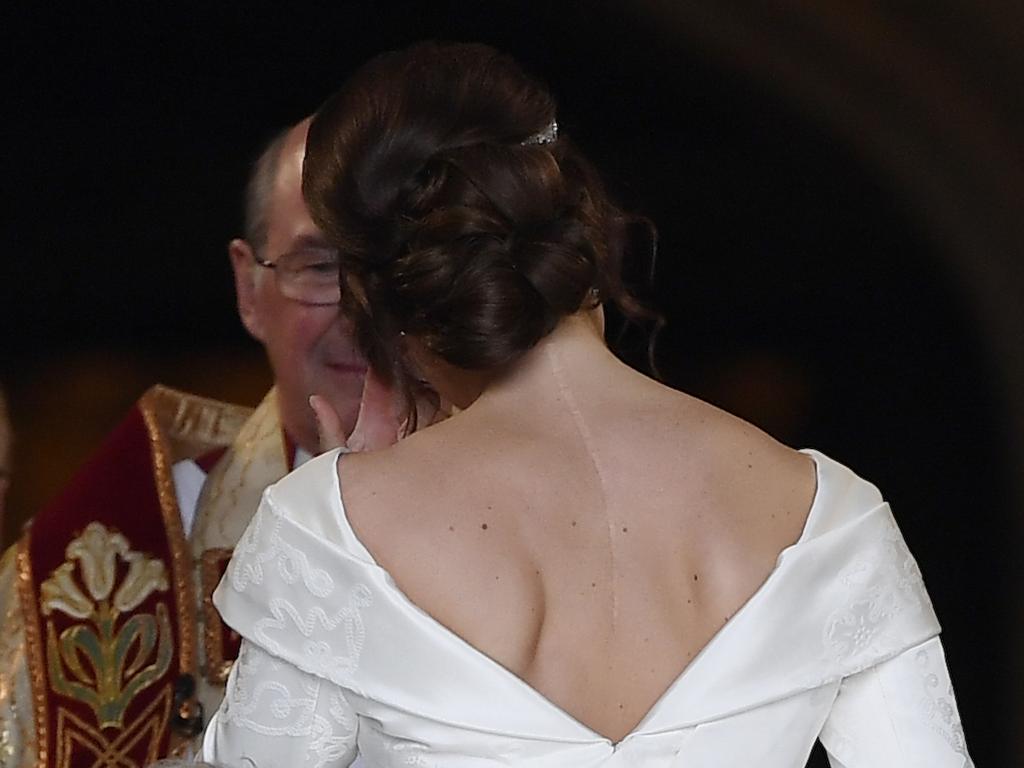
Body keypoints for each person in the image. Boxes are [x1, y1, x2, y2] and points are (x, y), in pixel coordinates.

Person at [203, 42, 973, 767]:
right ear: (584, 235)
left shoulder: (330, 532)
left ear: (381, 308)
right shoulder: (832, 516)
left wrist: (358, 508)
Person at [0, 120, 377, 768]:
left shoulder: (550, 512)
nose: (362, 308)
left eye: (396, 269)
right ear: (248, 290)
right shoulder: (105, 547)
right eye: (320, 267)